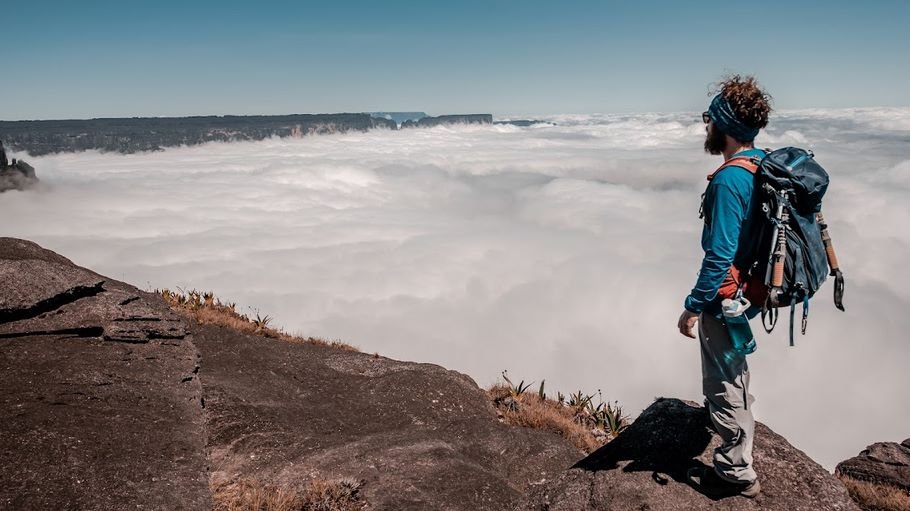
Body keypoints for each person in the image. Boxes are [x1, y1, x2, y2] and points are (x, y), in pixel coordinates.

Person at [677, 75, 772, 498]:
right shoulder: (760, 164)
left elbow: (719, 254)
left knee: (722, 382)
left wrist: (694, 305)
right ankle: (740, 441)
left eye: (710, 120)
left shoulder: (731, 180)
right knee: (734, 373)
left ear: (724, 126)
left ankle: (736, 472)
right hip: (748, 292)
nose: (706, 128)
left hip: (725, 297)